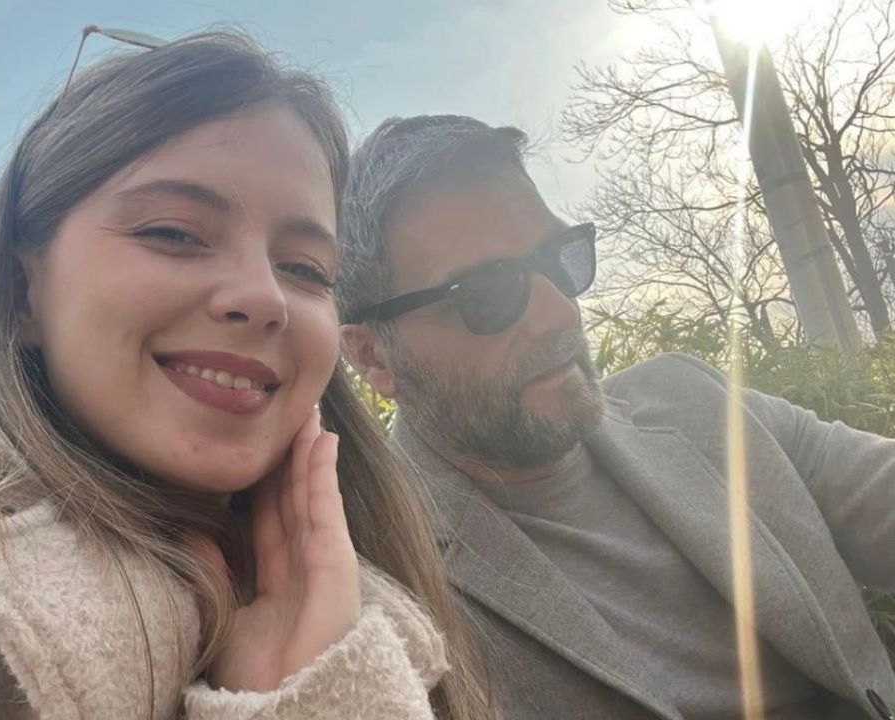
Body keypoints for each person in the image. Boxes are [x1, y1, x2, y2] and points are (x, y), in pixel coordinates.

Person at [0, 34, 492, 720]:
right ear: (22, 293)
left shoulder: (401, 613)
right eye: (173, 232)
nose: (265, 296)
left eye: (305, 269)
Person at [339, 114, 895, 719]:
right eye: (487, 292)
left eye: (560, 258)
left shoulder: (692, 399)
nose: (561, 314)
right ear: (372, 355)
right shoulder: (370, 579)